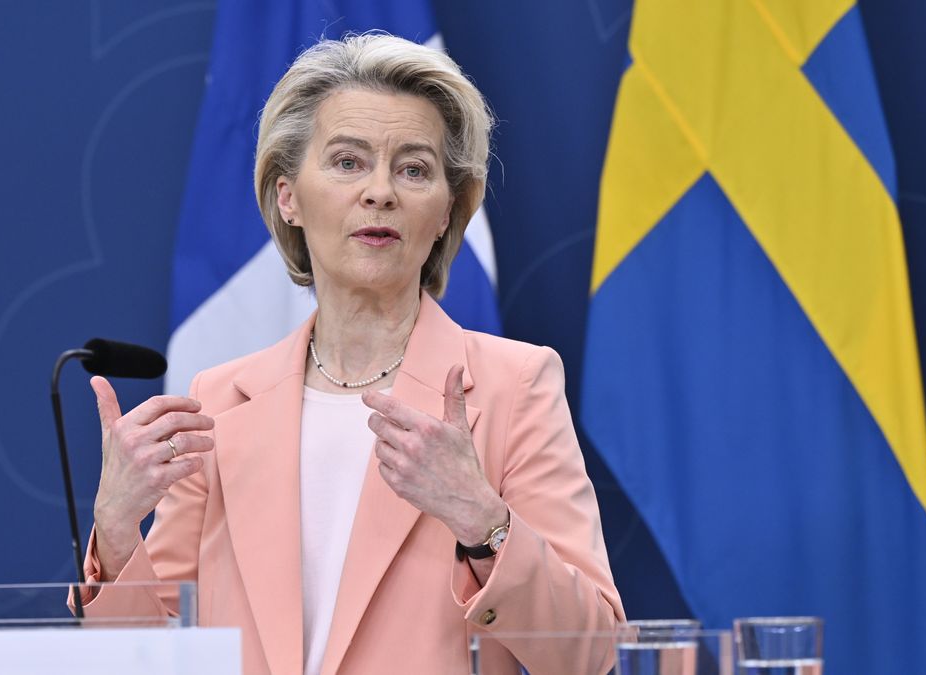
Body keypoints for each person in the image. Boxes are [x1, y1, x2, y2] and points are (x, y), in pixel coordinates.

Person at [78, 33, 624, 674]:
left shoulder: (514, 385)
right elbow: (151, 657)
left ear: (447, 211)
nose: (380, 192)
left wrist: (484, 522)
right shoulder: (221, 401)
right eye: (346, 162)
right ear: (288, 196)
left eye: (415, 169)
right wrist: (115, 533)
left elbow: (593, 654)